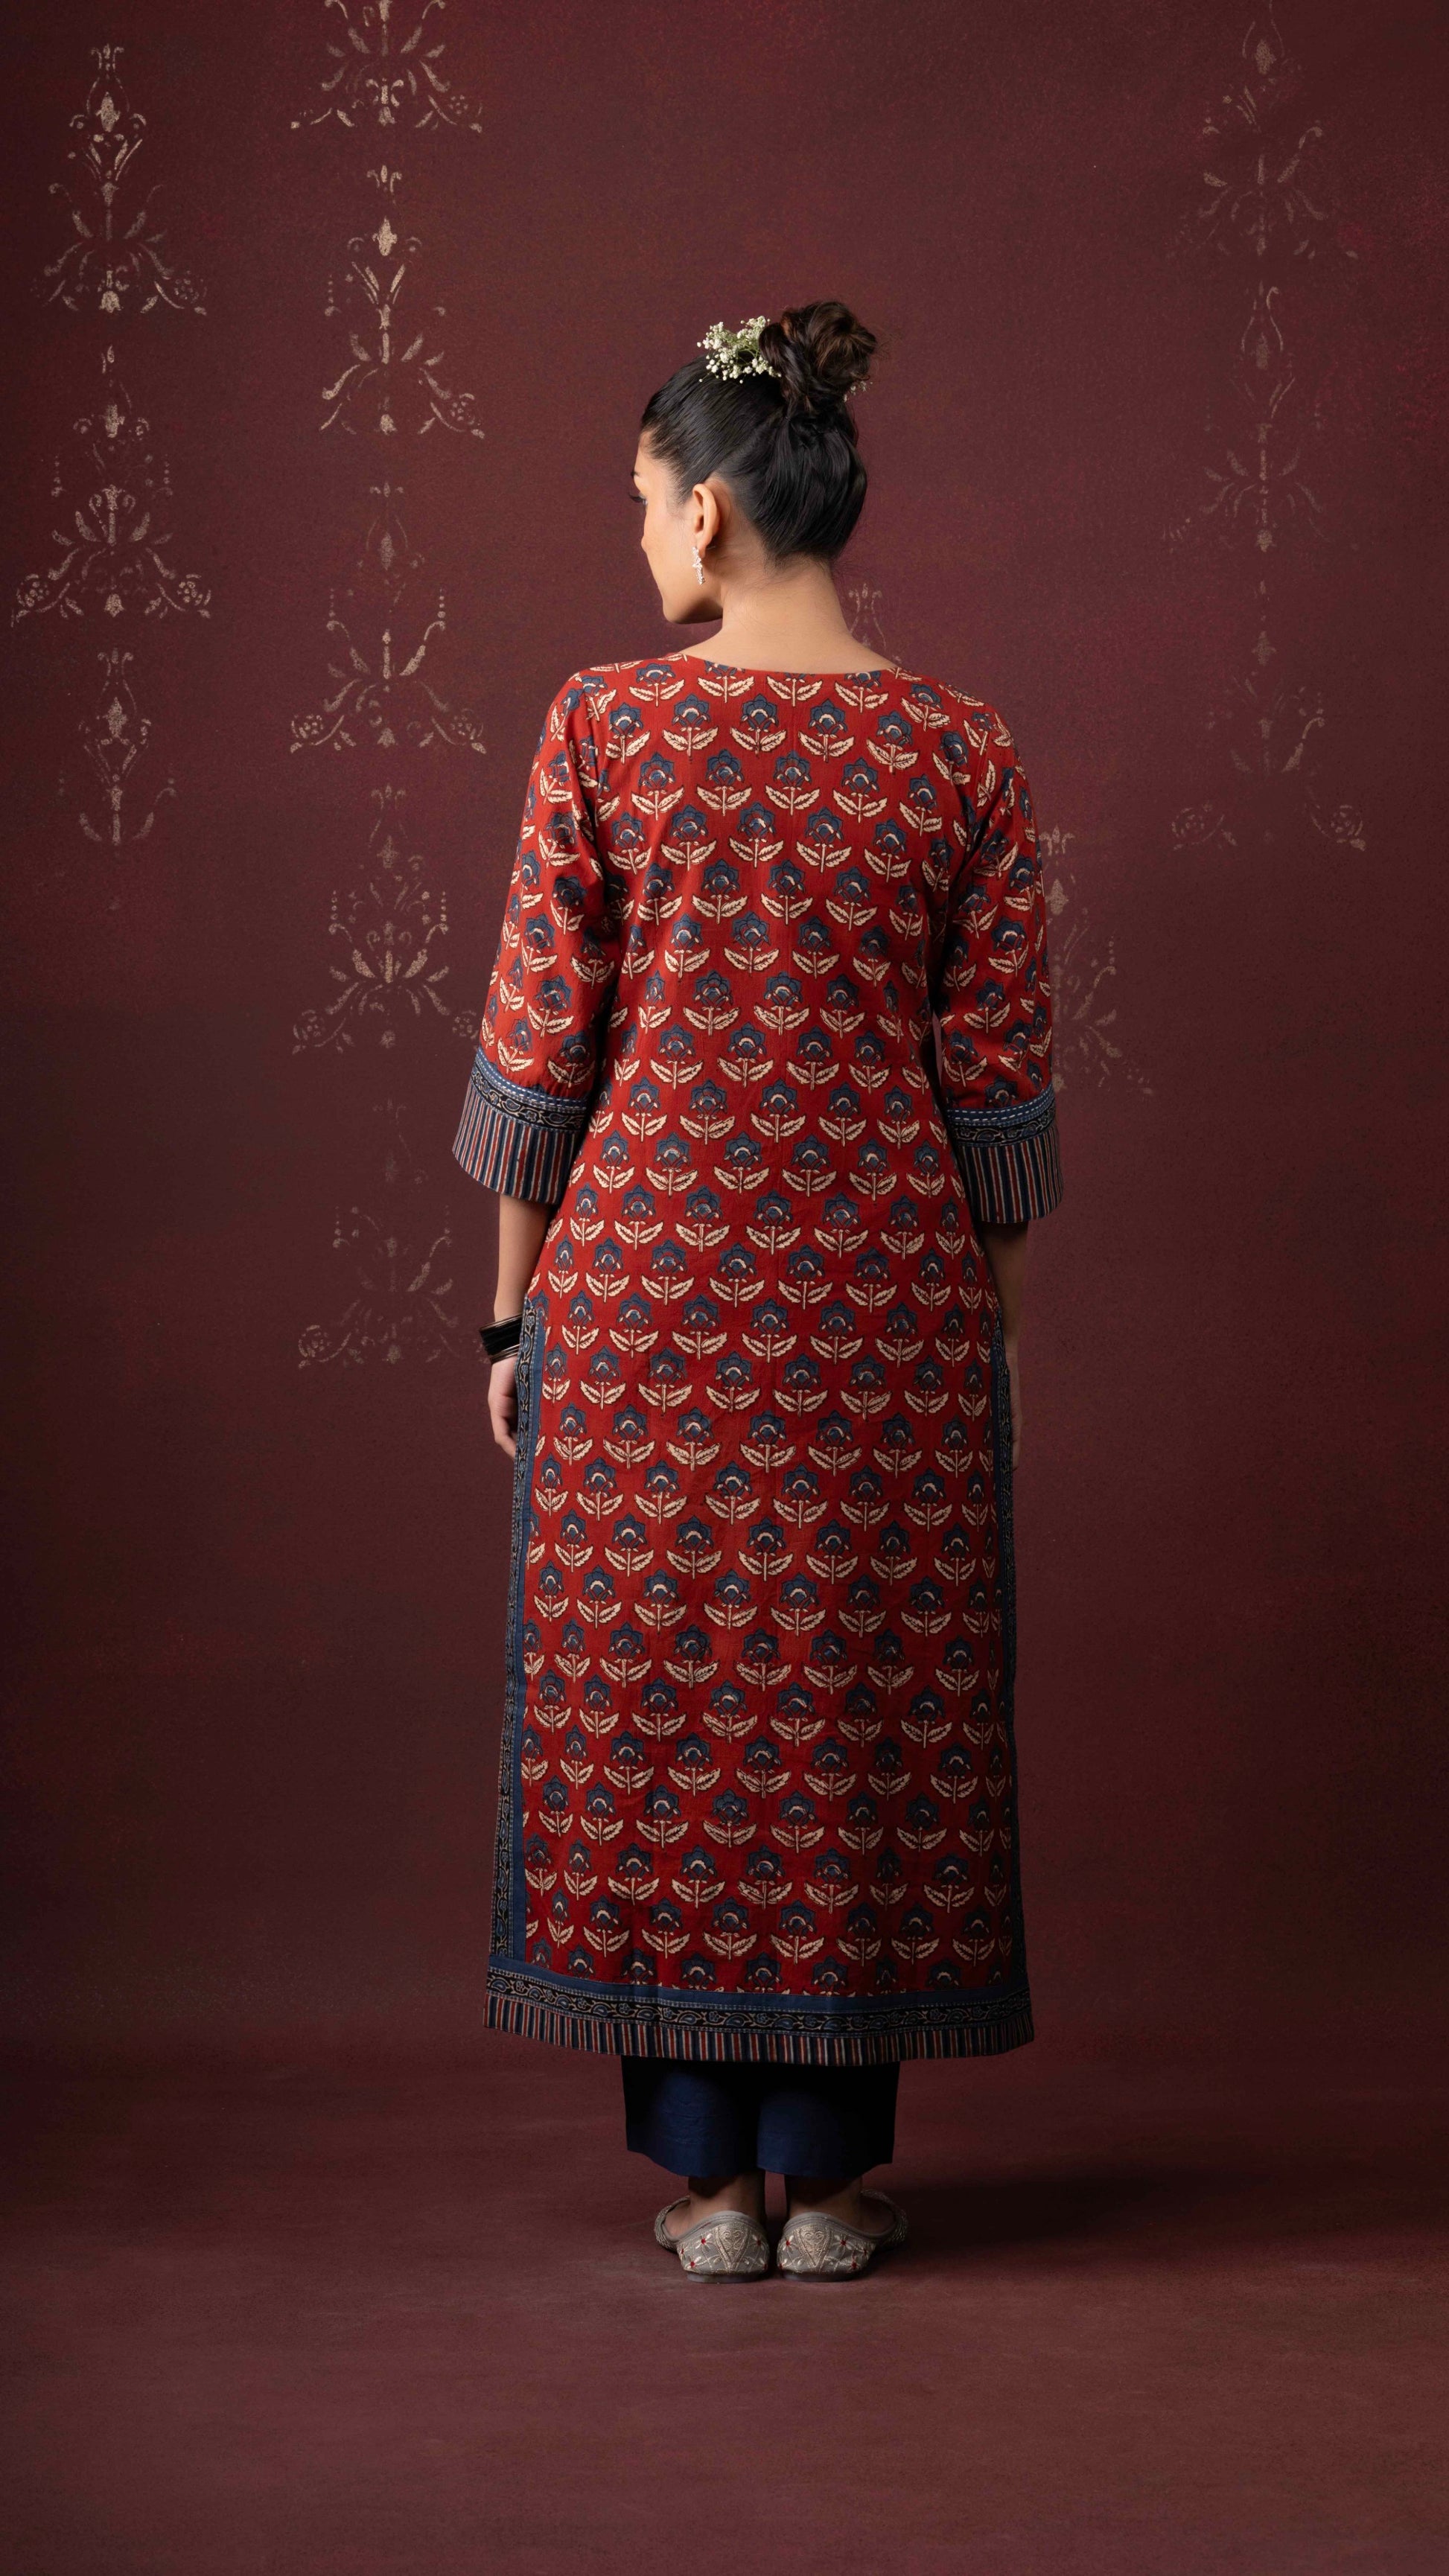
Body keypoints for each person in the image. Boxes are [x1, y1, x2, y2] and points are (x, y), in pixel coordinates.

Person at [453, 302, 1063, 2281]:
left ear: (708, 511)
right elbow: (996, 1096)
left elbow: (541, 1059)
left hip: (643, 1299)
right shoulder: (959, 748)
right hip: (883, 1312)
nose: (638, 533)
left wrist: (509, 1321)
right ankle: (832, 2180)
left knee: (664, 1701)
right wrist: (990, 1348)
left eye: (642, 499)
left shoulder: (604, 725)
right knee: (849, 1709)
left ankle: (712, 2184)